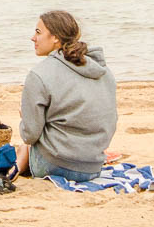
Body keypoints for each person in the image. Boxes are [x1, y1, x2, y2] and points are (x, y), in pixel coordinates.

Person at [15, 10, 117, 182]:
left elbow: (30, 135)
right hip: (93, 166)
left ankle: (20, 161)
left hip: (55, 166)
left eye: (38, 32)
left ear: (55, 38)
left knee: (21, 147)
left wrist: (25, 119)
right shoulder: (104, 72)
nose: (33, 38)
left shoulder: (39, 74)